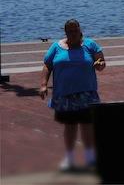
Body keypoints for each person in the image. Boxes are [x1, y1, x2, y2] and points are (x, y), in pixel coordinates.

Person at [39, 19, 106, 171]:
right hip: (64, 94)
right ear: (66, 32)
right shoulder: (56, 47)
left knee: (87, 126)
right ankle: (69, 158)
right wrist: (43, 85)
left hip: (86, 93)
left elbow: (101, 63)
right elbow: (47, 65)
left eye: (75, 30)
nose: (73, 33)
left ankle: (90, 158)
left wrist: (100, 64)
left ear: (80, 30)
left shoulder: (90, 45)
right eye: (69, 31)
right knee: (70, 126)